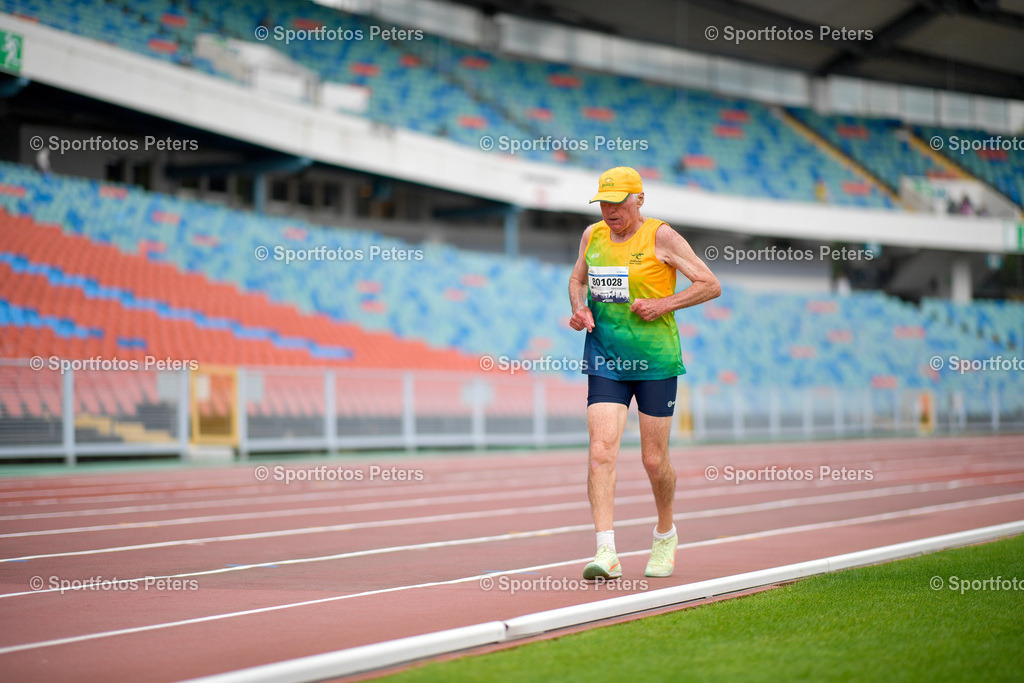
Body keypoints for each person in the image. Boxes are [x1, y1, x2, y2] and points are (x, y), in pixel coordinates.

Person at [568, 166, 720, 579]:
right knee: (601, 452)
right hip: (605, 357)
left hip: (654, 360)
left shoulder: (661, 236)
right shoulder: (592, 235)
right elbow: (577, 279)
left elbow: (710, 284)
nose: (610, 210)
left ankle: (665, 534)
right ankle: (606, 552)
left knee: (654, 461)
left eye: (618, 202)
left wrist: (662, 304)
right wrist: (578, 309)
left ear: (639, 199)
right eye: (604, 202)